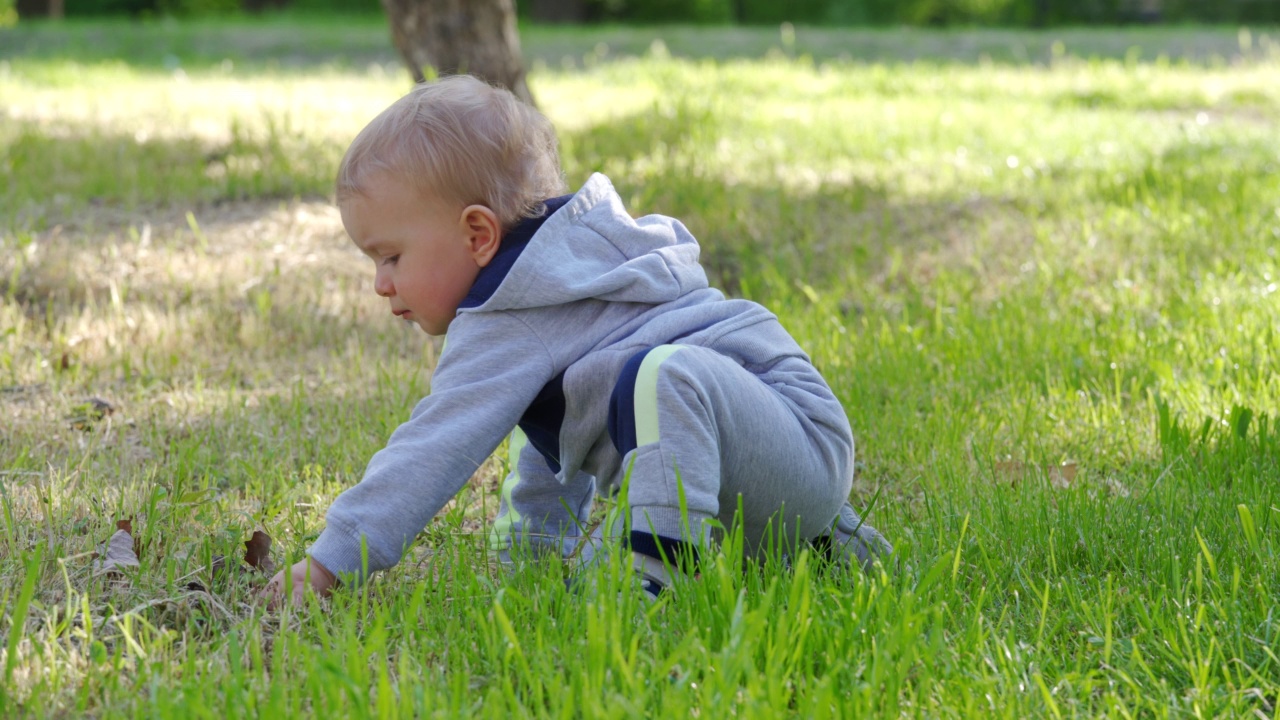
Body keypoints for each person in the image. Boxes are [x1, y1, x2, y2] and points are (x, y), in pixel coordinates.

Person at [263, 75, 890, 607]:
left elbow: (432, 449)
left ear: (478, 233)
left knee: (662, 376)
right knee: (638, 419)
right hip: (770, 471)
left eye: (391, 256)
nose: (380, 283)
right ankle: (829, 548)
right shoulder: (552, 300)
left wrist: (329, 563)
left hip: (788, 423)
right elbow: (554, 449)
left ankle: (659, 586)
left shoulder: (508, 313)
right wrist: (529, 564)